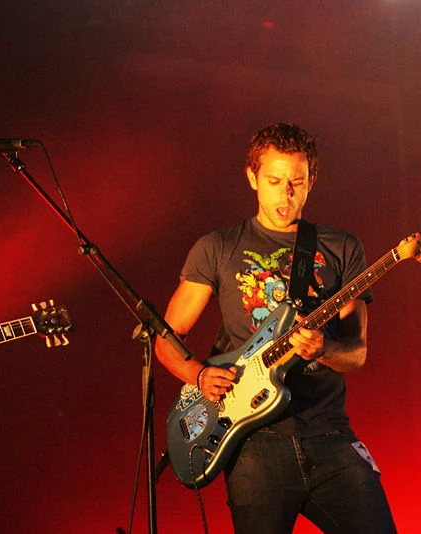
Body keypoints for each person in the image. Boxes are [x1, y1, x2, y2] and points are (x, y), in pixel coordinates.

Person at [155, 123, 396, 533]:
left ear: (311, 181)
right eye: (274, 181)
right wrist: (198, 374)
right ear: (252, 177)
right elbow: (167, 337)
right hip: (254, 443)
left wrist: (323, 349)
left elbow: (356, 355)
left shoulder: (342, 247)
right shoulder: (218, 247)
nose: (285, 195)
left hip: (329, 435)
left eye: (296, 183)